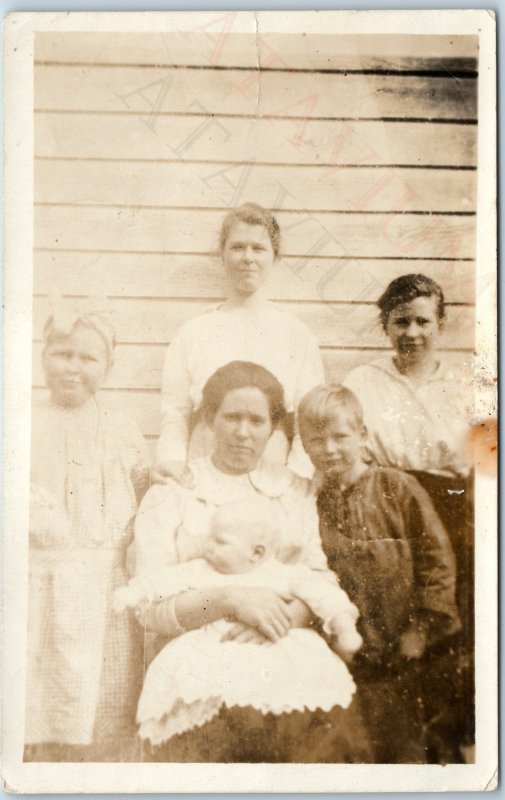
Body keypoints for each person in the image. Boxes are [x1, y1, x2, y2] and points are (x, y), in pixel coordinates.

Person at [132, 361, 370, 763]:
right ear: (209, 420)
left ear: (274, 427)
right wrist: (230, 600)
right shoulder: (173, 494)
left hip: (287, 645)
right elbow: (147, 608)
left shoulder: (294, 493)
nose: (243, 432)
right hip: (200, 655)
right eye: (231, 417)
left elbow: (318, 577)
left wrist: (286, 617)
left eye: (257, 420)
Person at [342, 274, 474, 760]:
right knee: (392, 619)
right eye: (401, 322)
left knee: (442, 620)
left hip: (452, 501)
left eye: (422, 321)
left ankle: (442, 746)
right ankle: (391, 742)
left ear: (441, 324)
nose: (412, 332)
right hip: (385, 505)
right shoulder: (364, 381)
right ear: (385, 326)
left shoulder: (467, 383)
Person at [115, 496, 362, 748]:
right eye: (210, 538)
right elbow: (162, 581)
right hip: (212, 650)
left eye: (220, 542)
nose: (208, 546)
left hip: (277, 648)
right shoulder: (200, 570)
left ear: (257, 553)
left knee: (295, 695)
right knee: (205, 694)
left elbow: (324, 593)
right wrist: (133, 592)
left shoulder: (280, 573)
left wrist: (344, 626)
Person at [298, 384, 461, 763]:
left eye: (341, 437)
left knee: (406, 747)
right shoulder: (311, 502)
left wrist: (419, 631)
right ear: (304, 446)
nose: (330, 449)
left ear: (363, 435)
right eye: (317, 440)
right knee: (352, 744)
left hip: (405, 648)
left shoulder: (397, 487)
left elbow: (437, 562)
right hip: (345, 651)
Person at [25, 301, 149, 762]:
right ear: (43, 357)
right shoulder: (20, 421)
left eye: (88, 357)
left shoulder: (120, 430)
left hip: (101, 585)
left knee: (99, 705)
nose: (73, 368)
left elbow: (138, 497)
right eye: (62, 353)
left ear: (109, 366)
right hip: (35, 578)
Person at [153, 203, 324, 483]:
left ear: (275, 257)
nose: (247, 258)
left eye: (258, 248)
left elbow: (309, 418)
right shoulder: (193, 332)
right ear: (222, 255)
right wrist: (172, 465)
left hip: (273, 469)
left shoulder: (297, 335)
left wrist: (297, 477)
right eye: (237, 247)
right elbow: (175, 413)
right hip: (204, 466)